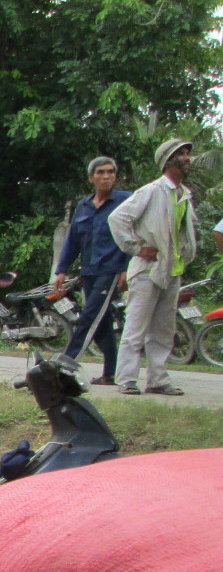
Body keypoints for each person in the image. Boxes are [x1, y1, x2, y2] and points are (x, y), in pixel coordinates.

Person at [107, 138, 197, 397]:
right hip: (147, 268)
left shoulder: (184, 194)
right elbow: (117, 218)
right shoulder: (153, 190)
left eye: (188, 153)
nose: (187, 158)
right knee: (136, 326)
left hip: (172, 270)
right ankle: (127, 379)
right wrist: (136, 247)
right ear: (168, 161)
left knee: (164, 329)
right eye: (182, 154)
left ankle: (157, 379)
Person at [53, 157, 131, 386]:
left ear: (115, 176)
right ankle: (110, 372)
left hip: (112, 269)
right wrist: (61, 270)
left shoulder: (125, 201)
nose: (106, 176)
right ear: (91, 177)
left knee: (89, 317)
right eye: (101, 172)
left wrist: (127, 267)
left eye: (110, 172)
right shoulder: (84, 206)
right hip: (89, 271)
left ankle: (64, 365)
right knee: (101, 323)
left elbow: (135, 233)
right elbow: (73, 240)